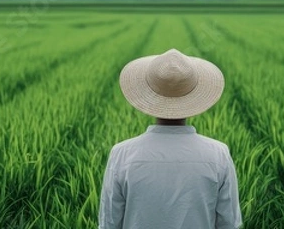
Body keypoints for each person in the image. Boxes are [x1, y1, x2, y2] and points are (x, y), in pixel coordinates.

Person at [99, 48, 243, 229]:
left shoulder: (121, 154)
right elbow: (229, 223)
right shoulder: (218, 154)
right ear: (193, 96)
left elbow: (109, 223)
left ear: (149, 95)